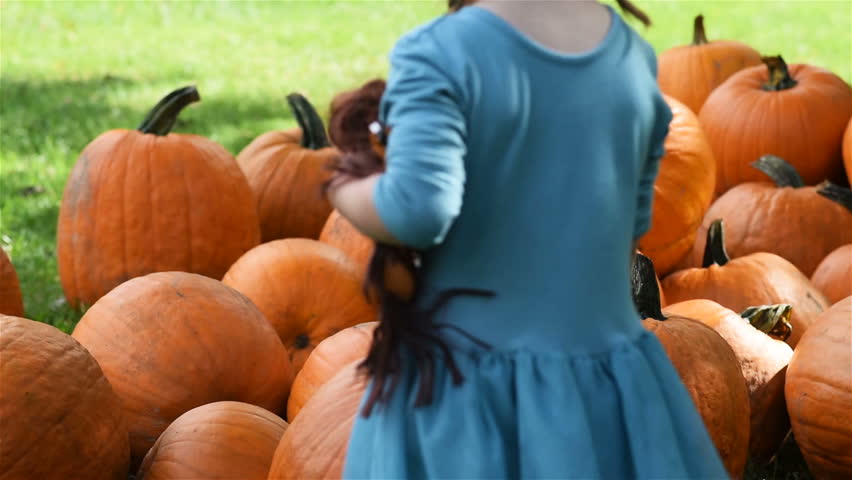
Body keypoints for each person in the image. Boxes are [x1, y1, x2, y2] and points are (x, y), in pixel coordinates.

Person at [325, 0, 730, 478]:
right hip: (607, 378)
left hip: (467, 383)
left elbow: (417, 211)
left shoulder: (442, 51)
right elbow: (630, 230)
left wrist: (345, 183)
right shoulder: (631, 58)